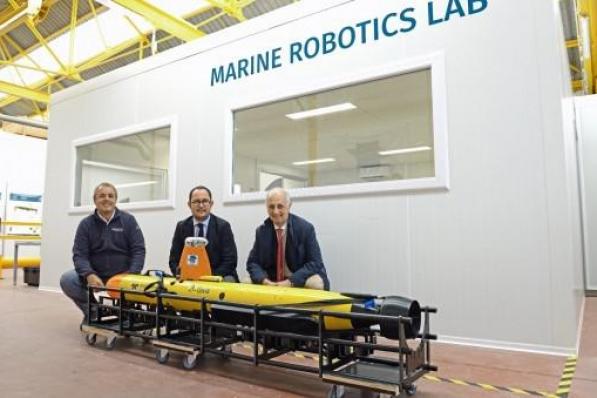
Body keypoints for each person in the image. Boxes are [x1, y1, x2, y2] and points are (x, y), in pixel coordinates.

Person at [60, 182, 146, 320]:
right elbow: (79, 255)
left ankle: (120, 311)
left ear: (115, 200)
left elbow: (139, 251)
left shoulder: (128, 220)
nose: (106, 199)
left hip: (122, 276)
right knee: (68, 280)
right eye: (101, 196)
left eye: (110, 196)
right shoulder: (85, 225)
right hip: (96, 277)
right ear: (95, 200)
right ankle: (94, 311)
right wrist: (89, 274)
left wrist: (131, 274)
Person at [247, 187, 329, 290]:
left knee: (315, 283)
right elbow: (253, 262)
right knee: (245, 281)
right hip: (272, 279)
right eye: (271, 207)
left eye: (280, 206)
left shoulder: (305, 228)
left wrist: (291, 281)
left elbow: (315, 262)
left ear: (289, 206)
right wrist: (263, 280)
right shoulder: (261, 231)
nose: (276, 211)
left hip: (299, 278)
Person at [168, 185, 238, 282]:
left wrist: (208, 277)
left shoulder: (223, 226)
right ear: (189, 205)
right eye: (196, 201)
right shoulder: (181, 227)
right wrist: (181, 274)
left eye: (205, 201)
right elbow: (173, 260)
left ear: (211, 204)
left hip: (217, 277)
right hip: (188, 277)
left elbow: (230, 261)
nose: (201, 205)